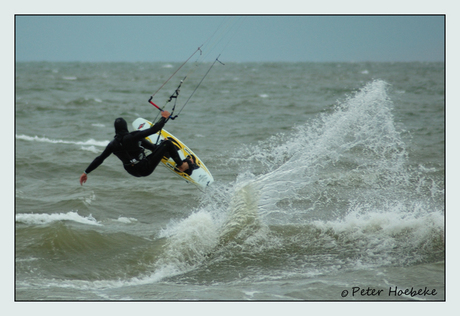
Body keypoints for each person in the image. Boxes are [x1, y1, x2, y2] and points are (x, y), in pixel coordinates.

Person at [79, 111, 193, 185]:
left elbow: (99, 159)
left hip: (133, 171)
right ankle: (182, 165)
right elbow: (154, 130)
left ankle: (157, 149)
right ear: (125, 127)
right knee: (167, 143)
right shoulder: (132, 136)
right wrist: (164, 118)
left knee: (140, 142)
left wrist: (86, 172)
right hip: (145, 167)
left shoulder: (112, 145)